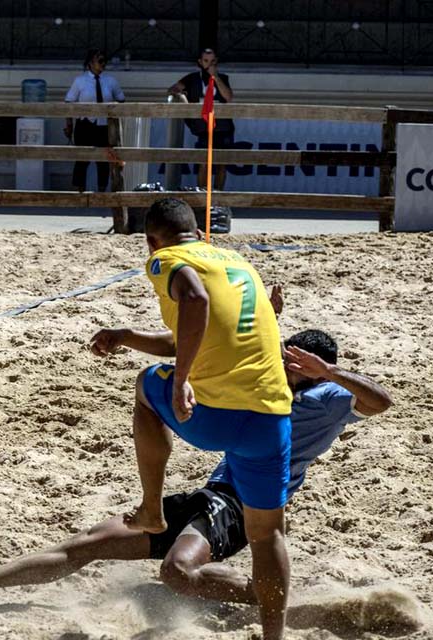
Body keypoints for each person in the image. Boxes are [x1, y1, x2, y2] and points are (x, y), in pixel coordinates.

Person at [0, 327, 392, 616]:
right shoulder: (262, 379)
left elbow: (382, 402)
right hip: (212, 493)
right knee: (90, 542)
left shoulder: (330, 398)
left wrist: (329, 370)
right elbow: (186, 343)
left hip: (245, 506)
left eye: (293, 361)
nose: (283, 363)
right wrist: (124, 337)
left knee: (177, 573)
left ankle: (268, 598)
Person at [115, 197, 292, 638]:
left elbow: (193, 299)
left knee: (143, 386)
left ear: (151, 240)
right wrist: (125, 335)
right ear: (199, 231)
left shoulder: (165, 260)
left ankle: (152, 509)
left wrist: (180, 382)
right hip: (271, 413)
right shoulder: (237, 261)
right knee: (268, 536)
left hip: (215, 413)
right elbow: (197, 331)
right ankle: (274, 635)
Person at [168, 48, 235, 190]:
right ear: (200, 62)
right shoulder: (192, 78)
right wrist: (184, 98)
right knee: (203, 163)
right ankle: (203, 196)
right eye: (205, 61)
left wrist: (215, 77)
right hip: (203, 127)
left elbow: (228, 97)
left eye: (212, 61)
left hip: (222, 127)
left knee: (222, 164)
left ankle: (218, 198)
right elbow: (173, 90)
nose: (209, 64)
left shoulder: (223, 77)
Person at [64, 49, 125, 192]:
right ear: (91, 63)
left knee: (103, 160)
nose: (103, 64)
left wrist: (113, 113)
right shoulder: (80, 81)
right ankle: (80, 191)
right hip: (85, 123)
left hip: (104, 125)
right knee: (82, 159)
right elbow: (69, 102)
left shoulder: (110, 81)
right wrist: (69, 124)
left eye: (105, 61)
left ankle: (102, 190)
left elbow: (121, 100)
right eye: (100, 61)